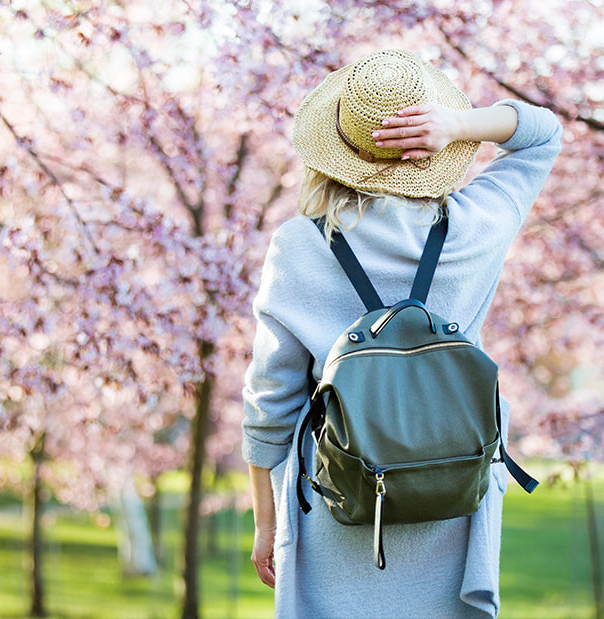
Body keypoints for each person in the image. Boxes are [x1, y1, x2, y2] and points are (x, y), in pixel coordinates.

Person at [241, 48, 562, 618]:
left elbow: (271, 400)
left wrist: (266, 523)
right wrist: (459, 125)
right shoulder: (477, 226)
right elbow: (542, 133)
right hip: (453, 491)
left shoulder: (300, 245)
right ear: (433, 145)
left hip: (339, 495)